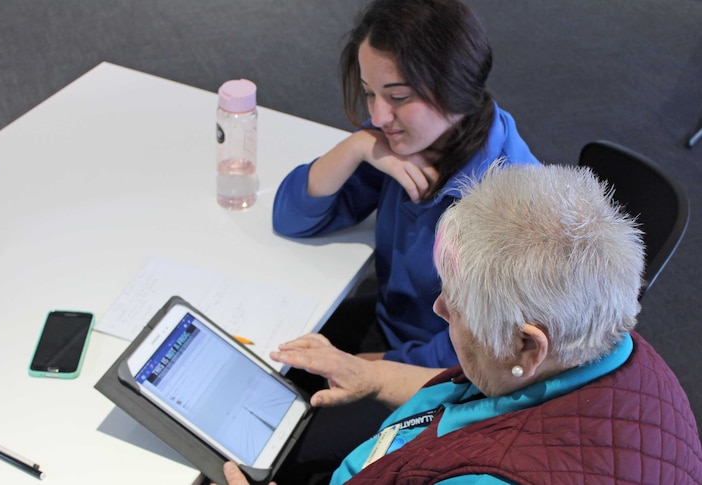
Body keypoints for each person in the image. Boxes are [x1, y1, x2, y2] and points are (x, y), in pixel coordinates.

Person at [218, 163, 702, 484]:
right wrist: (373, 375)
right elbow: (480, 402)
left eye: (459, 305)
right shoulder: (604, 345)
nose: (439, 309)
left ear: (526, 347)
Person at [273, 0, 538, 369]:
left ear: (456, 87)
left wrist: (372, 368)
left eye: (398, 97)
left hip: (447, 377)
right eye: (369, 92)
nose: (378, 116)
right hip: (394, 330)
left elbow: (478, 350)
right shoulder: (410, 139)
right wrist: (356, 148)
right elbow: (292, 218)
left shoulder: (510, 205)